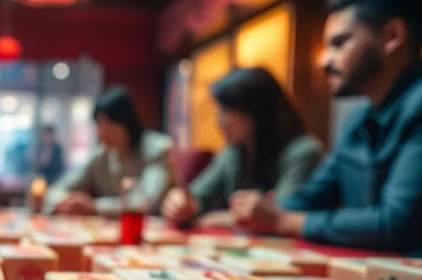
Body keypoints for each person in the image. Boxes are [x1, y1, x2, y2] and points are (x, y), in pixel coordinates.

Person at [231, 0, 422, 267]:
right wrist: (250, 211)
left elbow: (396, 224)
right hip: (382, 278)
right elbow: (308, 199)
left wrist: (284, 221)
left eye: (339, 44)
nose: (324, 60)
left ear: (392, 36)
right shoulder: (359, 119)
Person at [161, 67, 323, 227]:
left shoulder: (304, 152)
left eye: (227, 110)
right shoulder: (233, 153)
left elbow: (279, 217)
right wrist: (181, 205)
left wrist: (216, 218)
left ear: (257, 111)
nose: (220, 121)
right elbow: (197, 198)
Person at [47, 86, 175, 215]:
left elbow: (148, 202)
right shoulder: (100, 156)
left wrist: (94, 206)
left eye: (109, 124)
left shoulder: (156, 149)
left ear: (127, 122)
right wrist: (68, 201)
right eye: (99, 124)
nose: (102, 133)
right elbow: (56, 190)